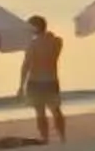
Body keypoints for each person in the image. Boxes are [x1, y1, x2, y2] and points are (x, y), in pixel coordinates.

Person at [20, 14, 66, 142]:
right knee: (56, 110)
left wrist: (21, 85)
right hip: (51, 80)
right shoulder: (56, 41)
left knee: (40, 113)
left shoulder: (32, 44)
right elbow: (57, 42)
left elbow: (26, 65)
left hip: (35, 81)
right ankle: (62, 137)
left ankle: (45, 138)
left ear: (35, 27)